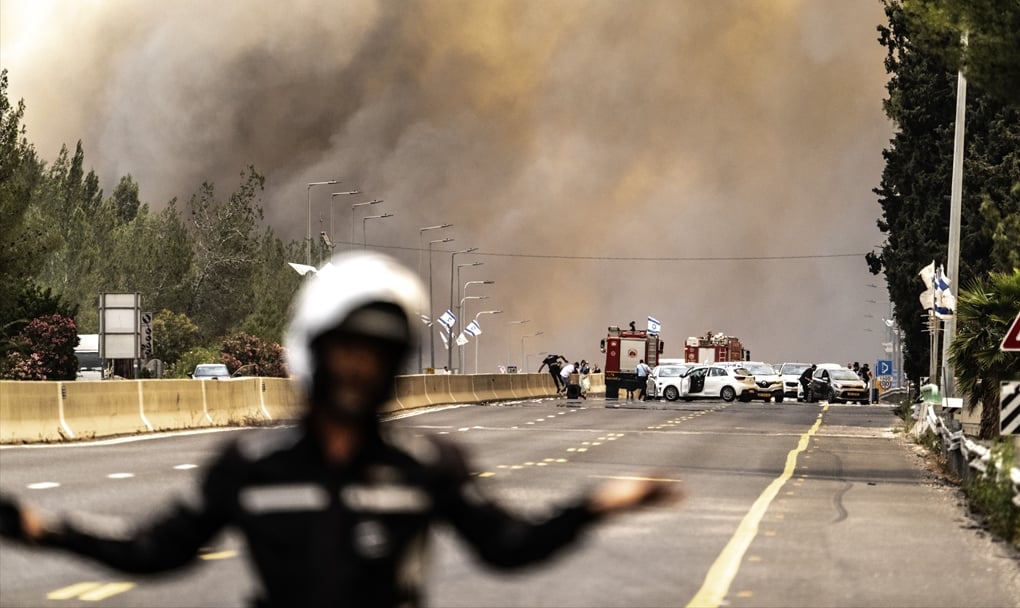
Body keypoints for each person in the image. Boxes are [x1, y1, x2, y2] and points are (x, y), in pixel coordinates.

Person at [0, 252, 679, 608]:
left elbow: (505, 545)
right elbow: (156, 550)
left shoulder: (425, 465)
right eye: (345, 351)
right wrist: (41, 527)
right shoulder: (251, 467)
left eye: (376, 355)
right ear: (312, 355)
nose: (357, 370)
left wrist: (593, 506)